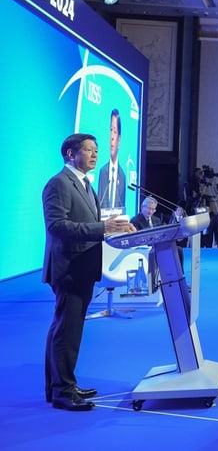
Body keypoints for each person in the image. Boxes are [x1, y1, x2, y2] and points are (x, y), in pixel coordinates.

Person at [43, 133, 136, 411]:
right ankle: (63, 392)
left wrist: (111, 225)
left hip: (82, 267)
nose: (95, 154)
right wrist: (102, 228)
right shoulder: (59, 184)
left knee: (65, 328)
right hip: (68, 268)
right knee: (67, 331)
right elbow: (57, 226)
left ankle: (59, 385)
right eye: (88, 150)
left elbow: (87, 222)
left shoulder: (84, 184)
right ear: (71, 154)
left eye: (96, 150)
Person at [96, 109, 125, 210]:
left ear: (119, 139)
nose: (112, 137)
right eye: (110, 130)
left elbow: (122, 205)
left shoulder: (122, 175)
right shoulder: (103, 171)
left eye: (115, 131)